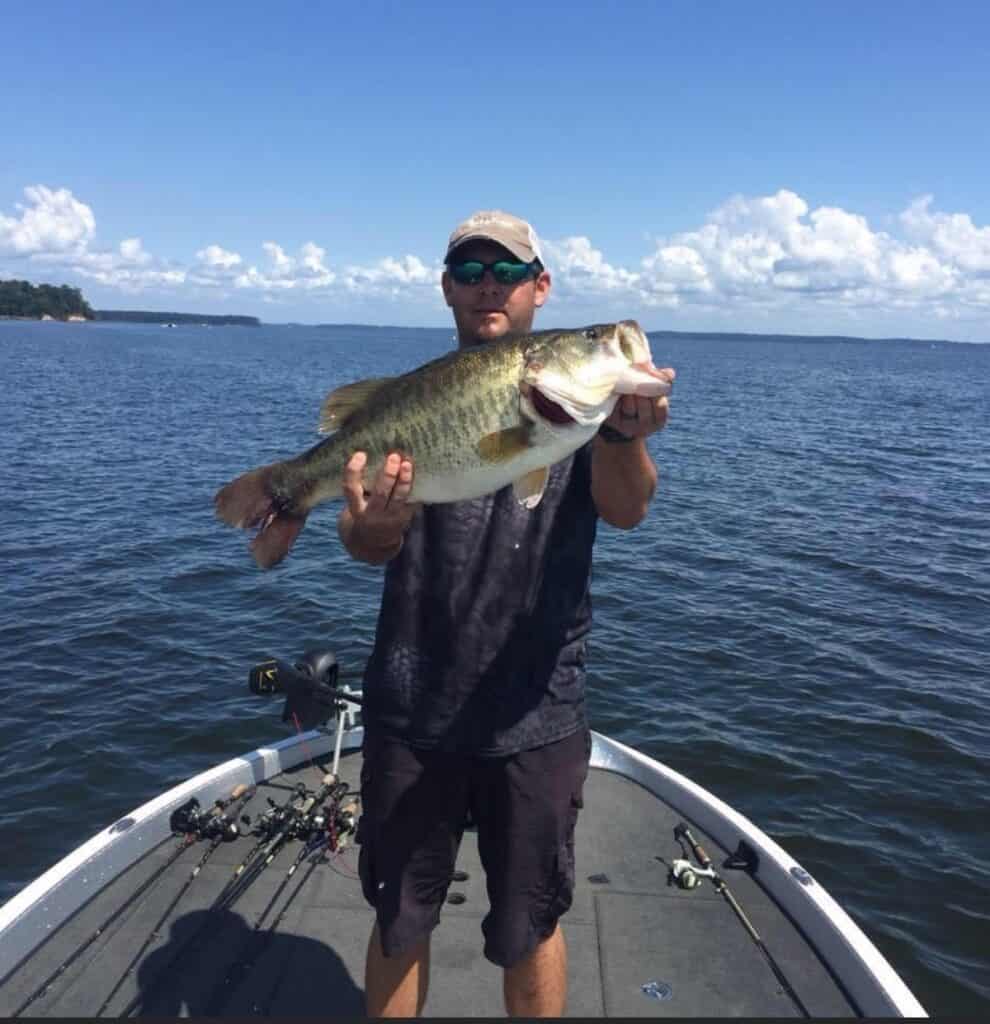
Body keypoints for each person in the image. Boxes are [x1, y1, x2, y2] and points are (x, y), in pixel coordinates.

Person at [337, 211, 674, 1018]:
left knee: (531, 923)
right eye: (472, 269)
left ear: (540, 288)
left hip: (537, 711)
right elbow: (364, 540)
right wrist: (373, 524)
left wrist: (624, 440)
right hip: (413, 706)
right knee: (399, 919)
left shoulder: (584, 415)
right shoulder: (411, 402)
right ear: (448, 288)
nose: (490, 283)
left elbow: (627, 512)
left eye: (509, 271)